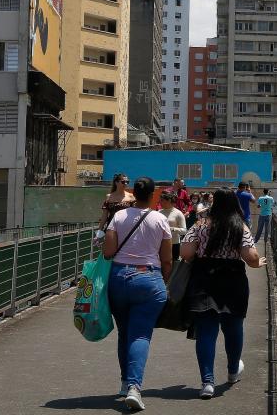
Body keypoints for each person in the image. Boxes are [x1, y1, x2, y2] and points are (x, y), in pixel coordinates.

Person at [181, 188, 266, 399]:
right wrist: (258, 263)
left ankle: (207, 382)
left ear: (214, 203)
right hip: (233, 280)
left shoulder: (200, 225)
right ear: (234, 204)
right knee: (233, 327)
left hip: (204, 279)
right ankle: (231, 372)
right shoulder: (240, 227)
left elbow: (186, 253)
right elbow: (251, 257)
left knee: (207, 332)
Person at [102, 176, 172, 412]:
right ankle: (134, 387)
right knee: (140, 335)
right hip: (148, 278)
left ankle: (124, 384)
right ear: (153, 195)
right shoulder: (160, 219)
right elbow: (167, 259)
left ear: (134, 193)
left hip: (119, 279)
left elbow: (108, 252)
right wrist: (165, 280)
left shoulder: (119, 217)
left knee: (124, 333)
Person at [160, 191, 186, 261]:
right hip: (160, 243)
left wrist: (172, 229)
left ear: (169, 201)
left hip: (174, 244)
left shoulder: (178, 213)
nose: (160, 202)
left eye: (162, 200)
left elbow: (184, 231)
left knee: (173, 265)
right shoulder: (159, 212)